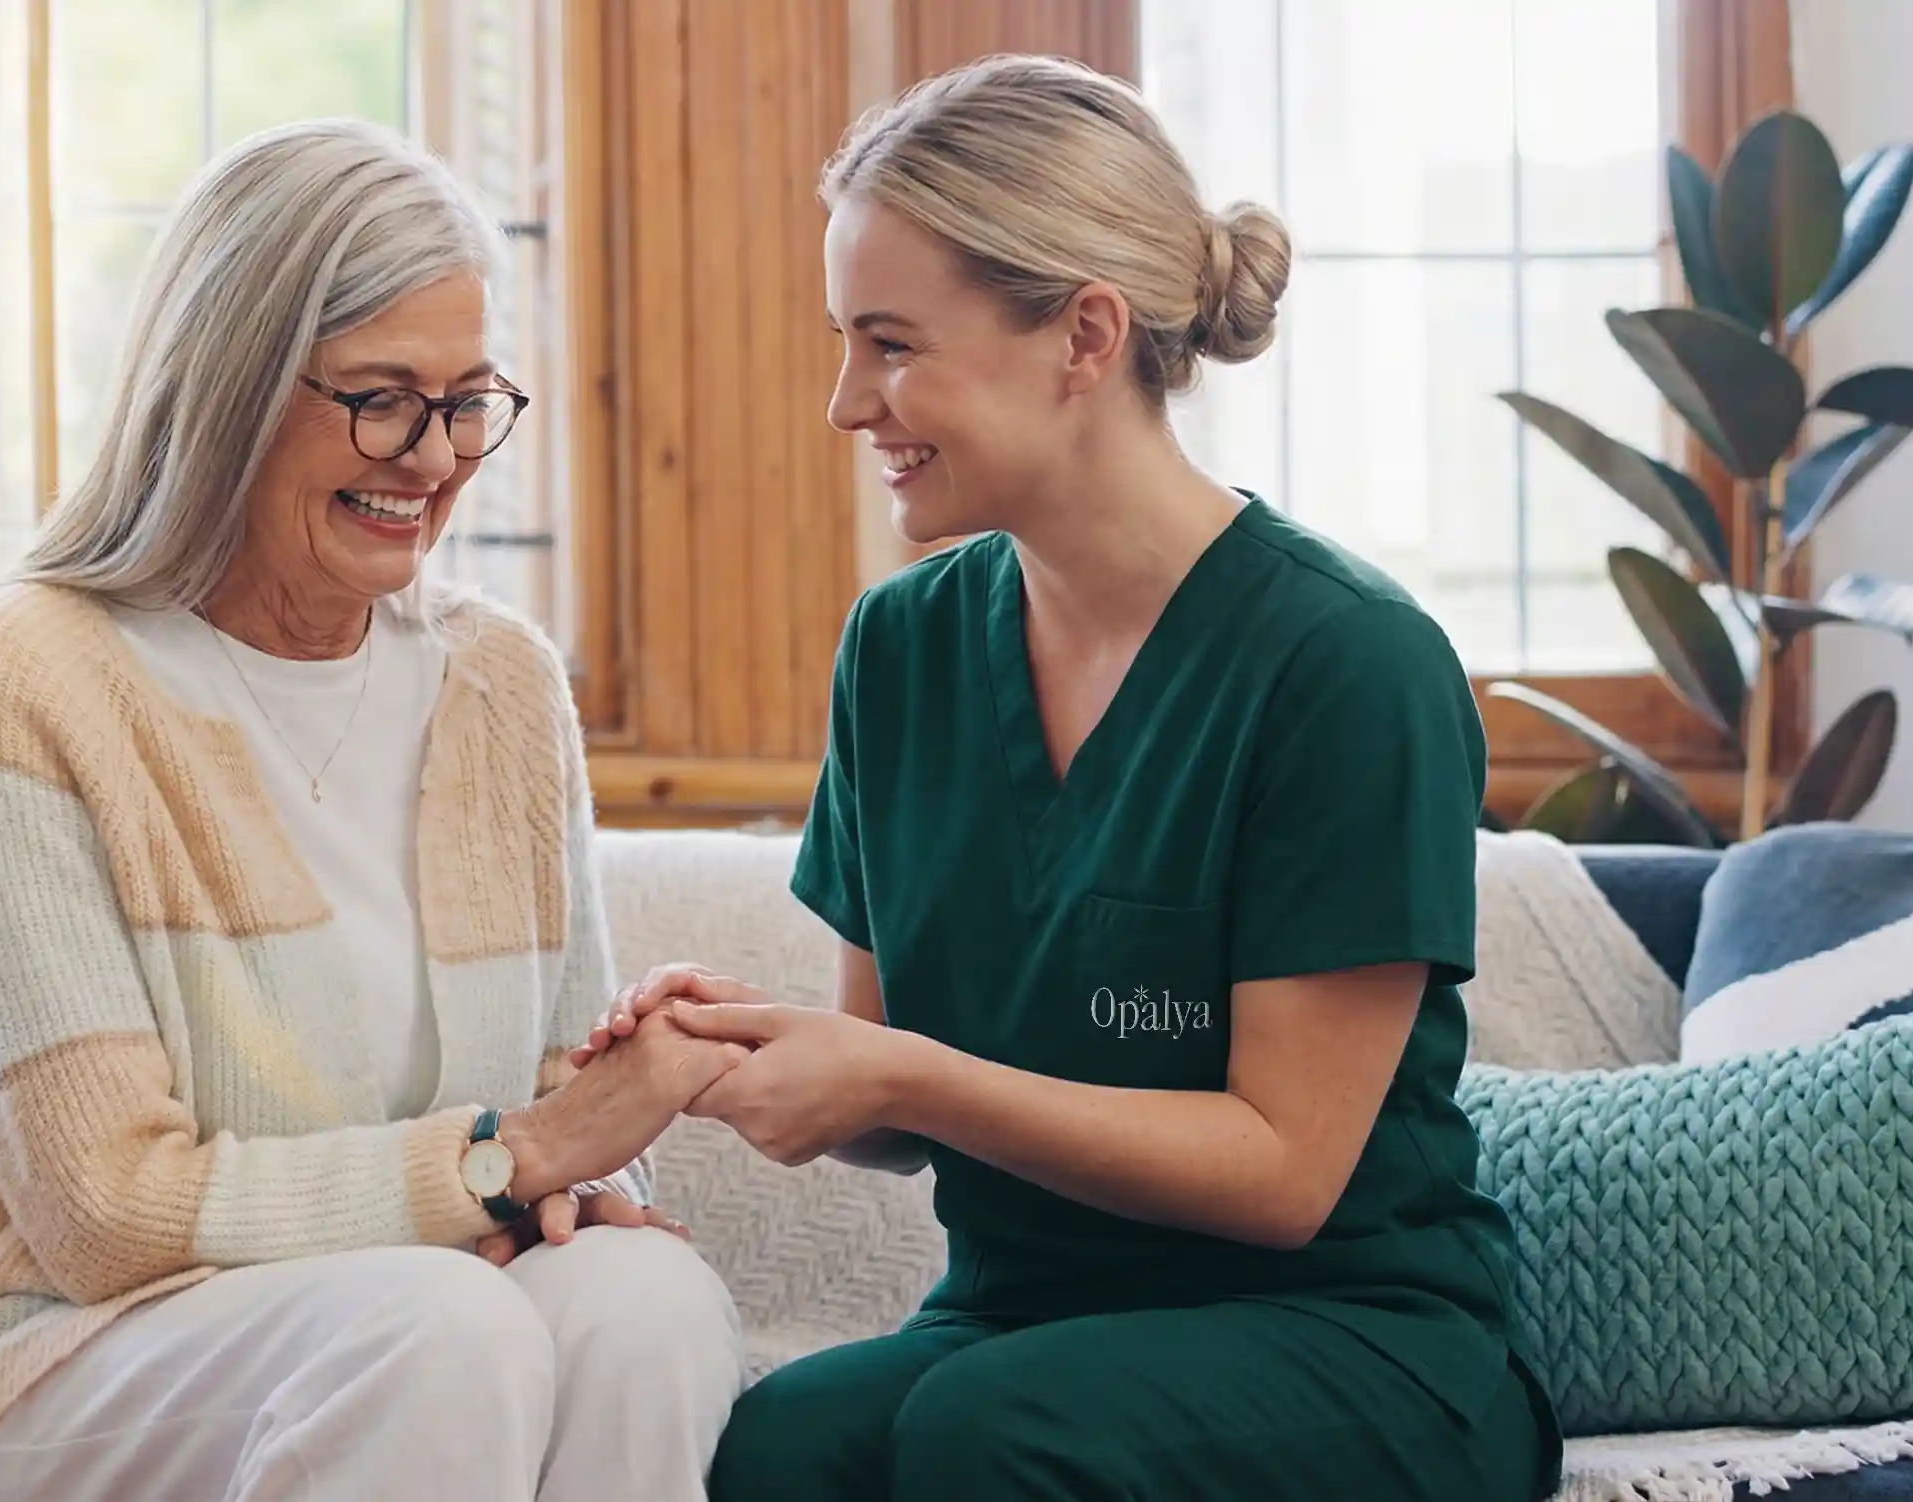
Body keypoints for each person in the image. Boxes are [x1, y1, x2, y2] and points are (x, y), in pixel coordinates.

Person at [575, 55, 1563, 1502]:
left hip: (1351, 1337)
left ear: (1084, 335)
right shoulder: (902, 649)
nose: (848, 402)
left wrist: (902, 1070)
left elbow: (1285, 1170)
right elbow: (903, 1106)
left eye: (892, 342)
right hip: (1025, 1324)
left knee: (990, 1433)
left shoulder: (1349, 664)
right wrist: (745, 1057)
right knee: (781, 1452)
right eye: (846, 342)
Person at [0, 119, 745, 1502]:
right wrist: (513, 1159)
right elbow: (105, 1215)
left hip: (378, 1312)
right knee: (439, 1323)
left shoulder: (500, 683)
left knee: (637, 1300)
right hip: (30, 1348)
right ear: (225, 383)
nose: (434, 455)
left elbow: (547, 1123)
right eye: (380, 396)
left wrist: (577, 1164)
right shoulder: (28, 668)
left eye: (470, 399)